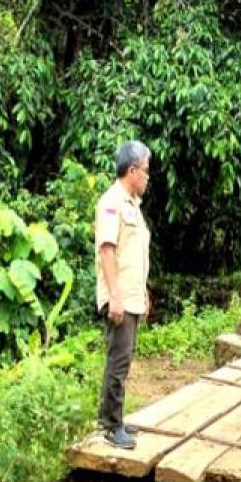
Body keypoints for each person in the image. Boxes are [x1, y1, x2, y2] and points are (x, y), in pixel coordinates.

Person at [95, 140, 153, 451]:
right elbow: (107, 250)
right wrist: (115, 296)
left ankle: (115, 417)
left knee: (125, 359)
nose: (147, 177)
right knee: (118, 360)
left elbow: (135, 254)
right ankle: (110, 425)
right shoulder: (111, 202)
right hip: (119, 297)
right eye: (145, 171)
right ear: (131, 170)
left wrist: (142, 291)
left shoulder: (133, 205)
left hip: (132, 295)